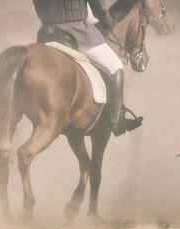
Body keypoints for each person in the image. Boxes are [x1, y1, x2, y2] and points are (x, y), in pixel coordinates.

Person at [32, 0, 142, 136]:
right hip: (77, 31)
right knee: (116, 66)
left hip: (47, 32)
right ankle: (116, 120)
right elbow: (97, 5)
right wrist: (105, 17)